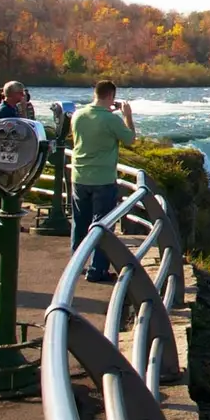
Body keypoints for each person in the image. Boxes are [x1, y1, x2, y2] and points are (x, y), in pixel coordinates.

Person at [70, 80, 136, 282]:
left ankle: (76, 264)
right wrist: (127, 116)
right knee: (102, 226)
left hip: (79, 176)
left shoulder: (78, 115)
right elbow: (130, 139)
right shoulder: (111, 119)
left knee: (80, 223)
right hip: (103, 178)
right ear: (111, 96)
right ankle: (97, 270)